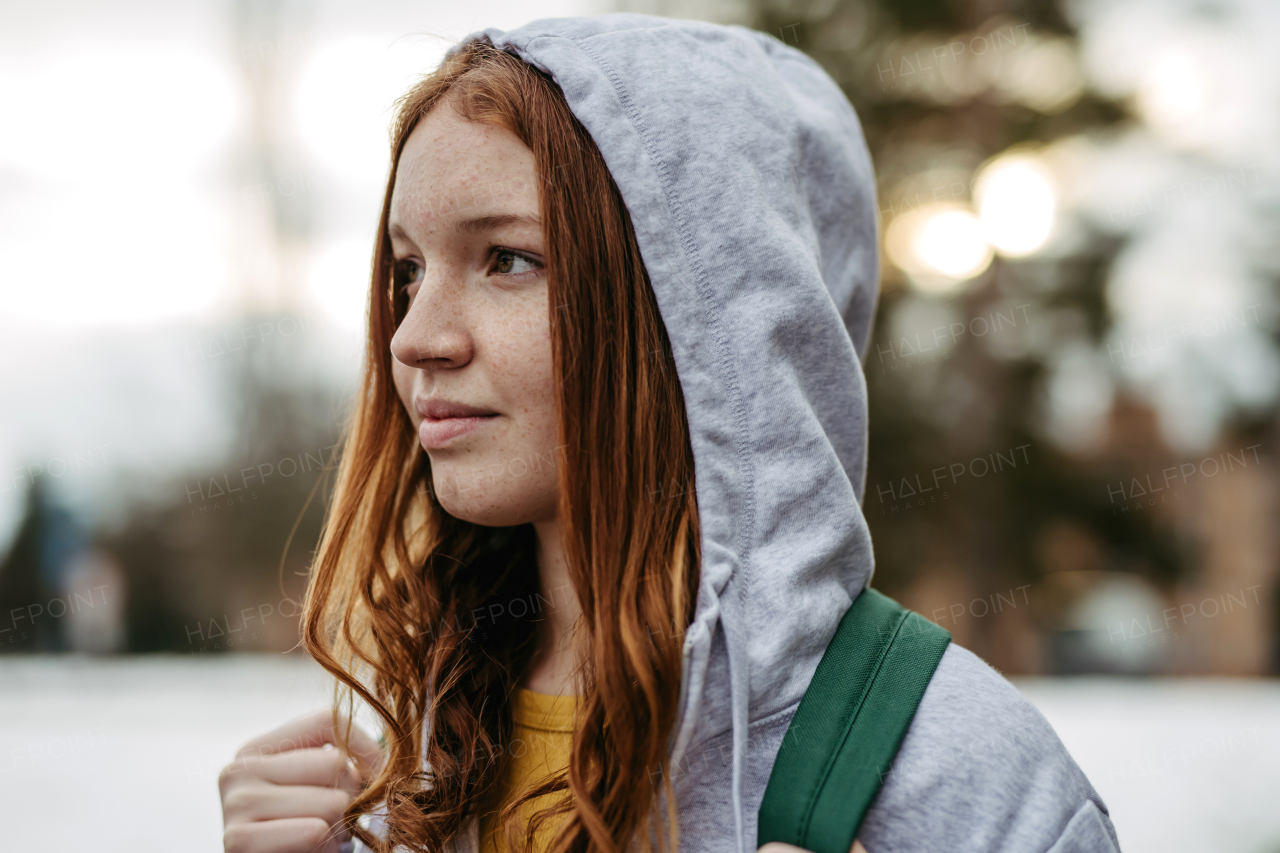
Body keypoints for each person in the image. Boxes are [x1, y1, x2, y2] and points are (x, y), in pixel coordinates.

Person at [219, 13, 1121, 853]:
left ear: (710, 321)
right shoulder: (409, 772)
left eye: (510, 259)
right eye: (409, 269)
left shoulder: (957, 778)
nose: (415, 337)